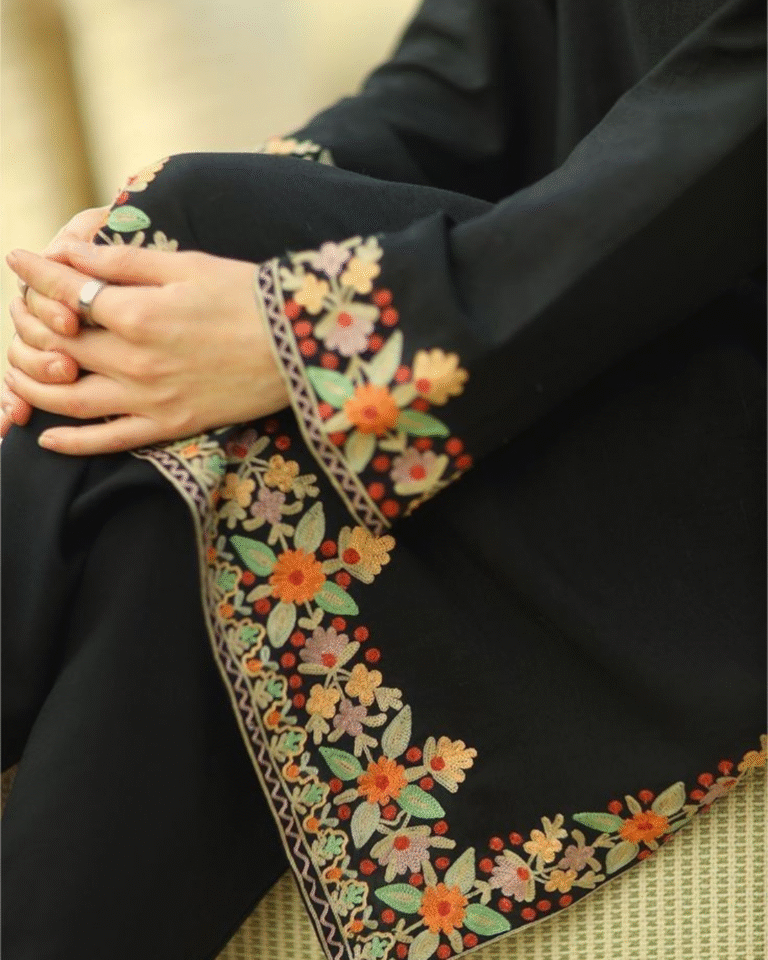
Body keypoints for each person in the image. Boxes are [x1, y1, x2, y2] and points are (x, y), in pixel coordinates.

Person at [2, 0, 766, 958]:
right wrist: (148, 258)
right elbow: (465, 80)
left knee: (212, 243)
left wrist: (316, 328)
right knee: (177, 481)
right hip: (569, 324)